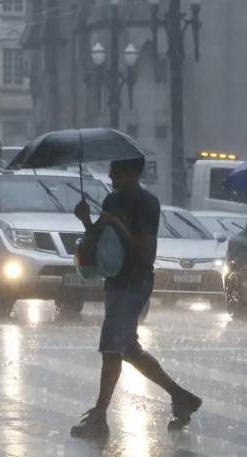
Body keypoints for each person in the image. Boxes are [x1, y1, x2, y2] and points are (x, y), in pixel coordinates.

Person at [71, 157, 202, 438]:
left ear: (130, 173)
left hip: (135, 282)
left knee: (111, 348)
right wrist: (86, 221)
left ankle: (100, 415)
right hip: (116, 280)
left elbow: (145, 251)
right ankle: (181, 396)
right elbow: (101, 239)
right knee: (127, 348)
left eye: (115, 171)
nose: (110, 175)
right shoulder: (111, 201)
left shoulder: (147, 204)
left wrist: (116, 224)